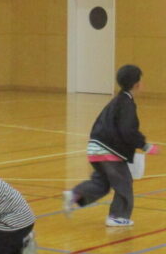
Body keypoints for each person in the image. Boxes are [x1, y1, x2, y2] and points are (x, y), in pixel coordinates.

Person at [63, 64, 150, 227]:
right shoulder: (126, 104)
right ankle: (117, 216)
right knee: (124, 183)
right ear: (137, 84)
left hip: (95, 148)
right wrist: (144, 145)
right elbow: (128, 130)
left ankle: (76, 195)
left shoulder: (117, 101)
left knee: (102, 183)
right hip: (109, 152)